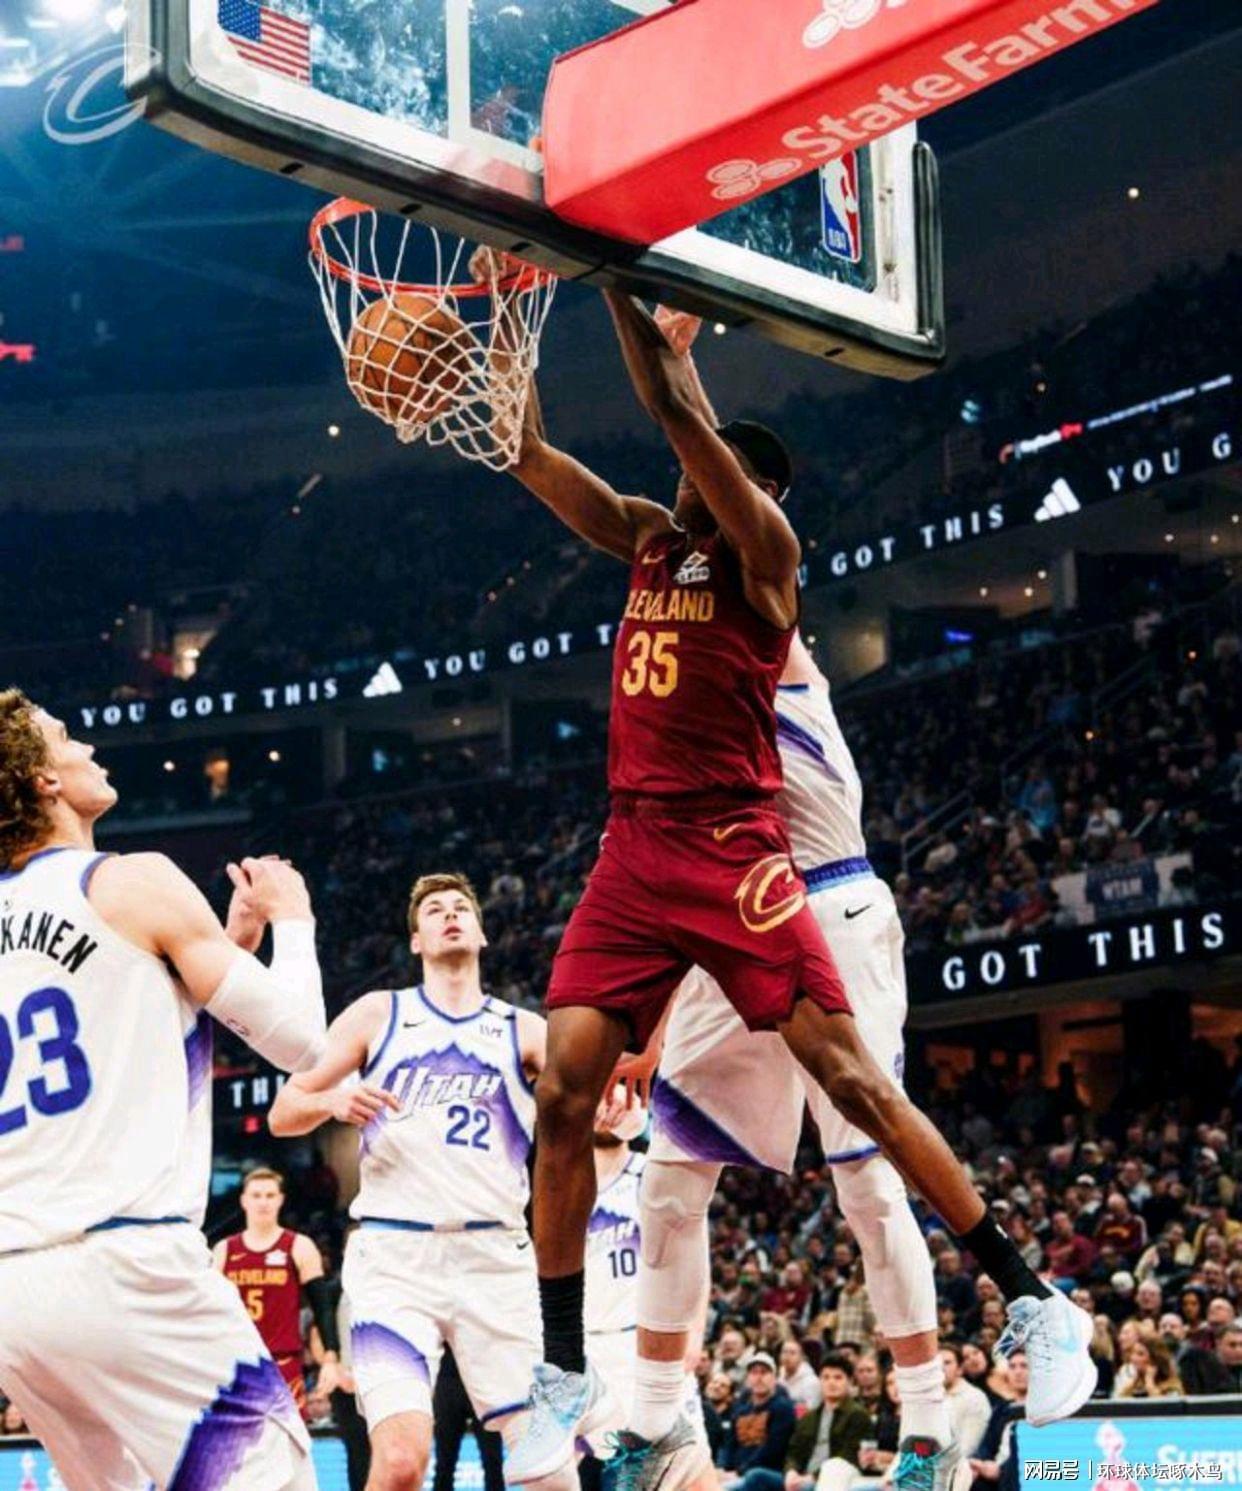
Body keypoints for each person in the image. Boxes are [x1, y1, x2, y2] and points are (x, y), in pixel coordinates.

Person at [503, 293, 1095, 1488]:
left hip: (779, 874)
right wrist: (498, 348)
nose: (701, 480)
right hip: (642, 859)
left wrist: (609, 273)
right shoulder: (650, 542)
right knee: (623, 1141)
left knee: (863, 1137)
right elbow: (536, 455)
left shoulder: (769, 575)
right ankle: (609, 1393)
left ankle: (993, 1352)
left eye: (729, 475)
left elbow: (681, 423)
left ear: (754, 497)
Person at [0, 692, 327, 1488]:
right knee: (275, 1475)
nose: (86, 743)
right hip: (125, 1260)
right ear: (44, 779)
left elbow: (127, 1020)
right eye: (65, 736)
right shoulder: (133, 878)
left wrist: (226, 943)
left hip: (15, 1287)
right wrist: (293, 921)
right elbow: (303, 1044)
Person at [268, 872, 545, 1491]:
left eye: (460, 908)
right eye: (434, 910)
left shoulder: (525, 1030)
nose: (450, 915)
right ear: (416, 941)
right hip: (395, 1257)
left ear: (482, 933)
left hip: (495, 1257)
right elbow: (285, 1111)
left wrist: (618, 1109)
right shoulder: (380, 1013)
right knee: (399, 1463)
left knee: (546, 1466)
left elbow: (598, 1112)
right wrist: (333, 1100)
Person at [215, 1166, 342, 1418]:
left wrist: (330, 1358)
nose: (263, 1202)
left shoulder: (299, 1246)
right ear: (244, 1200)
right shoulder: (224, 1250)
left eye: (270, 1195)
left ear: (281, 1200)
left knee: (287, 1438)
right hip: (237, 1362)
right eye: (256, 1195)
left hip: (284, 1363)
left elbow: (322, 1307)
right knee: (237, 1440)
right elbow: (209, 1312)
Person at [779, 1354, 874, 1488]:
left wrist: (812, 1477)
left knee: (832, 1468)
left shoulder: (858, 1415)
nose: (831, 1382)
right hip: (803, 1476)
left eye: (838, 1377)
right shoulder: (809, 1417)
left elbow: (848, 1455)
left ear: (850, 1381)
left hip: (838, 1477)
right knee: (760, 1477)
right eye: (826, 1377)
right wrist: (791, 1472)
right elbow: (794, 1452)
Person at [717, 1355, 796, 1489]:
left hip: (767, 1473)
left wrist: (739, 1472)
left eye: (764, 1372)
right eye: (754, 1373)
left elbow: (773, 1450)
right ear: (748, 1379)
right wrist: (722, 1468)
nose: (759, 1377)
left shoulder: (783, 1408)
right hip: (736, 1474)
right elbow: (728, 1444)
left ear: (774, 1378)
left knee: (753, 1476)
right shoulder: (740, 1410)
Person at [938, 1346, 990, 1459]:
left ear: (960, 1369)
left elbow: (968, 1447)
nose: (941, 1368)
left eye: (947, 1363)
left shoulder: (974, 1397)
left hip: (960, 1464)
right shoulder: (929, 1397)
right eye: (937, 1364)